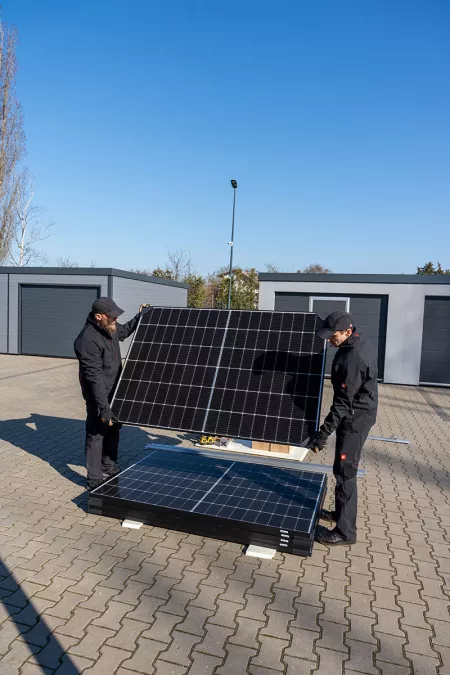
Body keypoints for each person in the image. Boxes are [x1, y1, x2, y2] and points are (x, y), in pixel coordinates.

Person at [306, 310, 378, 545]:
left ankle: (345, 533)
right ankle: (339, 514)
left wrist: (321, 435)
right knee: (340, 467)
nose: (329, 340)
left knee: (345, 473)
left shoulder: (353, 358)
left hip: (355, 419)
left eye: (332, 336)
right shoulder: (355, 341)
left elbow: (341, 405)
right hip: (355, 413)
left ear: (347, 332)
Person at [74, 297, 149, 490]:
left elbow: (123, 331)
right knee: (96, 433)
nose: (116, 319)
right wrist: (103, 408)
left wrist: (139, 317)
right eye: (112, 316)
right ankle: (94, 477)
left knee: (114, 428)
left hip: (116, 388)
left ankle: (109, 465)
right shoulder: (87, 340)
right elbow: (94, 378)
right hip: (98, 393)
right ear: (99, 316)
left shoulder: (111, 327)